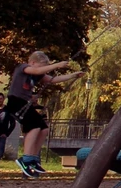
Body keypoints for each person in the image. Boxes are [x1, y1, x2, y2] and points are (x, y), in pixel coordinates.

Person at [6, 50, 85, 178]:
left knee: (43, 128)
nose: (44, 70)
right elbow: (36, 71)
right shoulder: (23, 67)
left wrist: (73, 75)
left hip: (25, 103)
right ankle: (25, 159)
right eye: (42, 66)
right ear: (32, 62)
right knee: (34, 126)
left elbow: (53, 80)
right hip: (16, 102)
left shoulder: (38, 74)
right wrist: (57, 65)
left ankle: (32, 158)